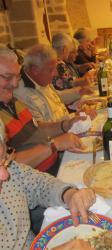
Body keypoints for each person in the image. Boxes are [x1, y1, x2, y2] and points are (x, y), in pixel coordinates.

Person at [0, 118, 96, 249]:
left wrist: (68, 194)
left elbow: (38, 184)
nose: (5, 175)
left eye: (3, 159)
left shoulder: (9, 168)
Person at [0, 45, 85, 174]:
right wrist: (54, 145)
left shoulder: (11, 99)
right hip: (42, 176)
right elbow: (7, 166)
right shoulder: (19, 94)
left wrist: (66, 124)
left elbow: (36, 128)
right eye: (7, 77)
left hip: (55, 164)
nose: (15, 84)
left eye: (17, 77)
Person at [14, 44, 96, 123]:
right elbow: (42, 130)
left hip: (67, 125)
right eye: (51, 70)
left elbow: (57, 96)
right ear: (35, 70)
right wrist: (74, 117)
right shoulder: (22, 95)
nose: (56, 74)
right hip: (60, 133)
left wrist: (79, 92)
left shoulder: (40, 78)